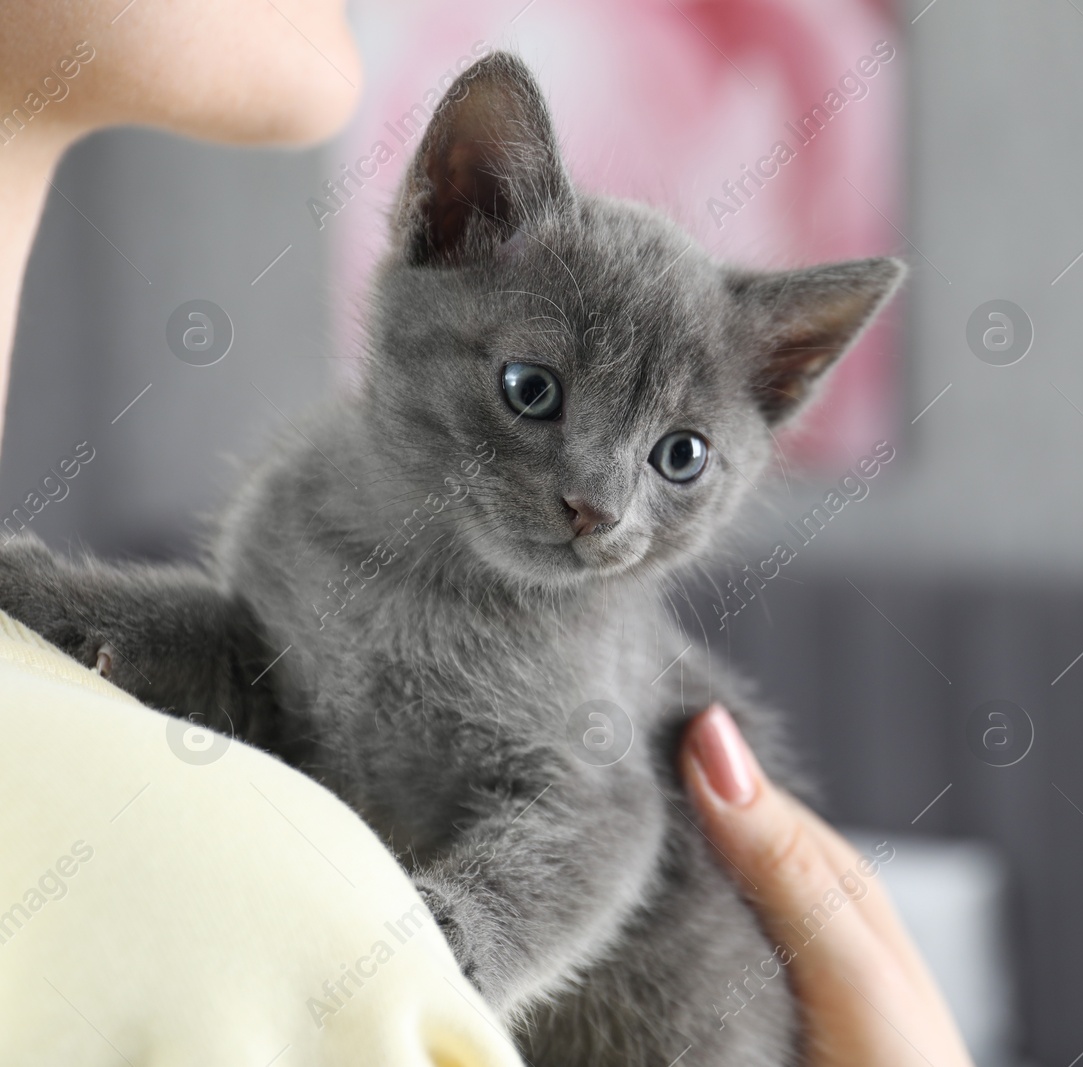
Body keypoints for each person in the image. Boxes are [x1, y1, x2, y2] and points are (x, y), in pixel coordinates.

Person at [0, 2, 975, 1065]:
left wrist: (452, 942)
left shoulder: (576, 644)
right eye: (532, 389)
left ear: (776, 393)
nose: (598, 501)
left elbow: (600, 819)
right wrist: (60, 612)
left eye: (677, 458)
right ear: (448, 222)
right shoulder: (294, 511)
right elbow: (260, 673)